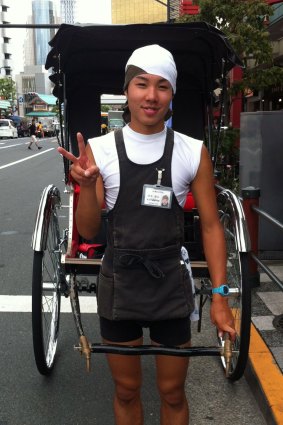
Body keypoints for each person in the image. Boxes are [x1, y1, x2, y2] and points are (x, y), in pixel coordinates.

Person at [58, 44, 236, 425]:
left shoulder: (193, 151)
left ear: (172, 94)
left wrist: (220, 297)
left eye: (162, 86)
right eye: (141, 84)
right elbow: (89, 231)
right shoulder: (100, 150)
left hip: (170, 281)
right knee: (126, 390)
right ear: (127, 90)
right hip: (119, 280)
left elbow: (209, 226)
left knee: (172, 393)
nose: (151, 96)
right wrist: (87, 187)